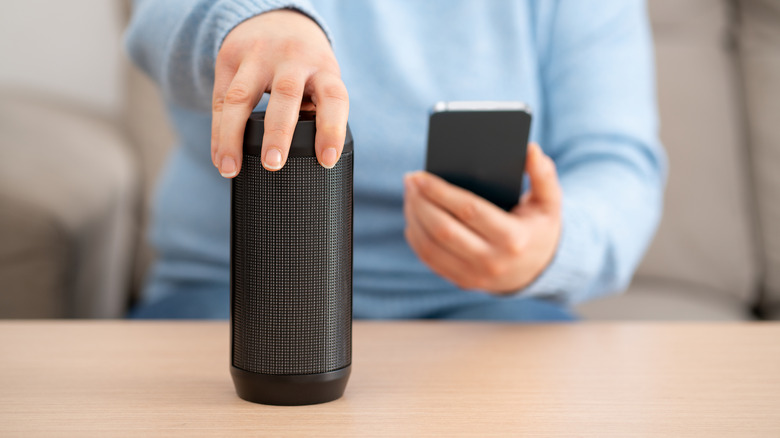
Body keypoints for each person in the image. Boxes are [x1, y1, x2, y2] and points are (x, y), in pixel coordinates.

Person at [125, 0, 665, 321]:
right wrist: (247, 21)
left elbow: (616, 163)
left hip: (477, 298)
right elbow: (154, 22)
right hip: (239, 286)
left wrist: (549, 247)